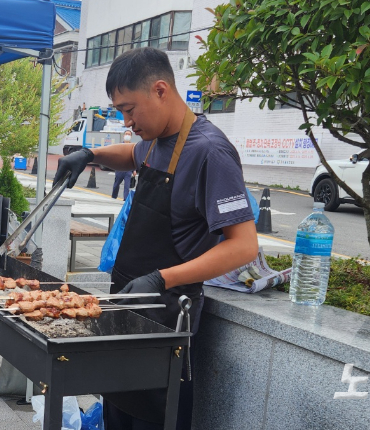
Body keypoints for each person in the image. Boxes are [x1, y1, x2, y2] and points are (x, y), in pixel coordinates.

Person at [54, 48, 259, 429]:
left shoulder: (210, 152)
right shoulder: (155, 138)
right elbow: (131, 154)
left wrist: (162, 278)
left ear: (161, 90)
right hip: (127, 311)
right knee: (117, 414)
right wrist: (90, 154)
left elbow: (244, 245)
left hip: (164, 323)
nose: (126, 121)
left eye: (129, 110)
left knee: (153, 418)